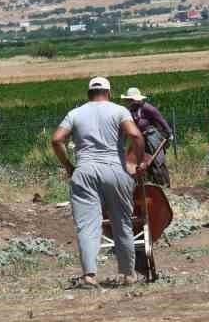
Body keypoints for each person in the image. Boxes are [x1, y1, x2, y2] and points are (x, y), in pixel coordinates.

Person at [51, 76, 147, 288]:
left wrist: (68, 166)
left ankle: (89, 276)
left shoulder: (75, 113)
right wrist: (139, 163)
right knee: (122, 222)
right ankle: (128, 274)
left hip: (84, 171)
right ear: (109, 93)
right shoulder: (119, 111)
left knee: (87, 226)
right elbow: (136, 136)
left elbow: (57, 139)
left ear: (88, 94)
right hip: (114, 169)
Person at [121, 87, 174, 186]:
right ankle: (146, 184)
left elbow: (160, 119)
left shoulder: (148, 108)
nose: (129, 101)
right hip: (138, 138)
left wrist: (169, 133)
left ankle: (164, 185)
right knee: (140, 162)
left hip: (151, 137)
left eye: (131, 100)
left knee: (157, 161)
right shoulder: (130, 110)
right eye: (129, 100)